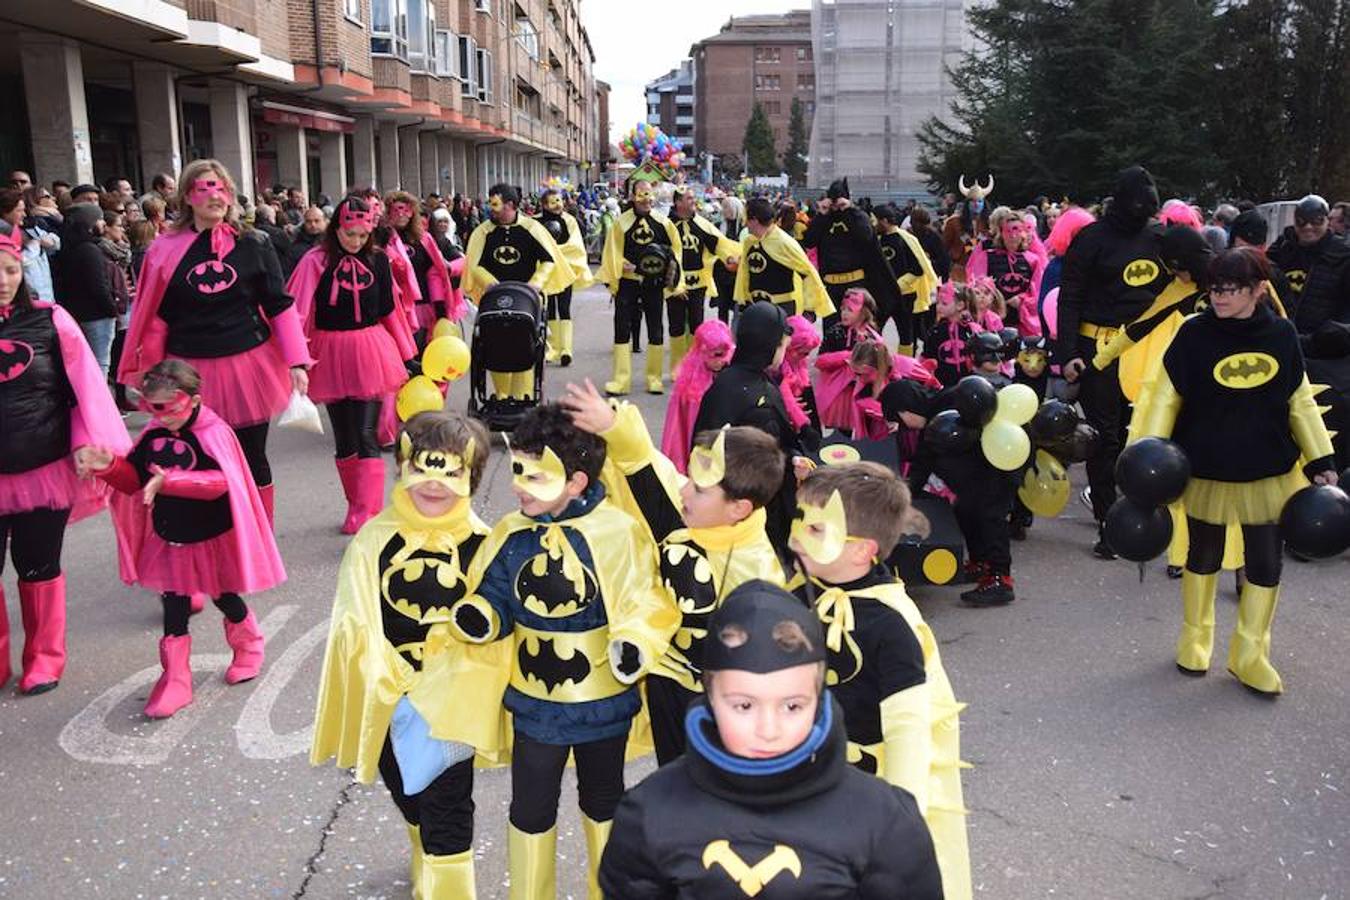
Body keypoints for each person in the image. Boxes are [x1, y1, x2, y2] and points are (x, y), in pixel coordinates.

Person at [445, 403, 676, 900]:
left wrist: (634, 643)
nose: (519, 484)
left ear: (574, 482)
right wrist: (483, 615)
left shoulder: (617, 532)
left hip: (603, 704)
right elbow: (497, 591)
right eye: (519, 470)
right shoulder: (512, 533)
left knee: (604, 801)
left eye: (534, 473)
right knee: (530, 808)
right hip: (536, 704)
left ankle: (609, 891)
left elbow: (644, 596)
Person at [598, 579, 945, 900]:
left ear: (820, 696)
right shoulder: (648, 814)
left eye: (793, 705)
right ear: (710, 695)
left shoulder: (884, 820)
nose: (769, 729)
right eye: (744, 705)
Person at [312, 410, 510, 899]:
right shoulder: (374, 541)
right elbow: (355, 617)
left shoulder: (485, 546)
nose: (435, 483)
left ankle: (446, 879)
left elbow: (499, 628)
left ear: (472, 477)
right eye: (423, 467)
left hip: (451, 704)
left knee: (448, 809)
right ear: (402, 466)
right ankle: (424, 849)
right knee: (408, 791)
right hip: (389, 693)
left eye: (451, 472)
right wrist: (385, 672)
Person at [1131, 248, 1338, 695]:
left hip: (1268, 468)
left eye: (1230, 289)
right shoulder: (1193, 334)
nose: (1219, 297)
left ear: (1258, 290)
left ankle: (1250, 653)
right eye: (1215, 288)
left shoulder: (1281, 335)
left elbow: (1298, 400)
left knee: (1264, 561)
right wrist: (1145, 464)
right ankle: (1195, 637)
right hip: (1207, 465)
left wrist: (1321, 460)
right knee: (1203, 553)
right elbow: (1165, 398)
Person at [563, 383, 789, 764]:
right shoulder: (692, 522)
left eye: (699, 490)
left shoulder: (757, 578)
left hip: (717, 705)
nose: (684, 491)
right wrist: (612, 426)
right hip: (667, 686)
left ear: (738, 509)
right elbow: (646, 471)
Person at [791, 464, 972, 900]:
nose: (796, 534)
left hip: (866, 795)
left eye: (815, 527)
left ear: (861, 551)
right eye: (799, 519)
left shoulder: (891, 625)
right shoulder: (802, 592)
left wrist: (899, 823)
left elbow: (909, 729)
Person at [118, 159, 312, 528]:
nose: (214, 196)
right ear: (187, 197)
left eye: (220, 187)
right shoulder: (165, 249)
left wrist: (297, 361)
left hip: (247, 367)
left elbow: (278, 304)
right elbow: (156, 317)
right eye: (204, 188)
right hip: (187, 372)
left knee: (251, 455)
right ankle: (211, 537)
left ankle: (257, 536)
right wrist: (152, 376)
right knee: (200, 456)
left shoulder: (255, 243)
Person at [81, 360, 282, 717]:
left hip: (212, 535)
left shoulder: (213, 433)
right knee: (173, 606)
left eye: (167, 407)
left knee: (224, 596)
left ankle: (249, 645)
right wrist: (108, 466)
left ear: (193, 399)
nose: (161, 416)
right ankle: (175, 678)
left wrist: (171, 481)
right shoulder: (155, 434)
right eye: (151, 407)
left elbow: (225, 484)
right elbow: (135, 481)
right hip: (170, 536)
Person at [0, 221, 130, 694]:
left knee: (37, 564)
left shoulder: (51, 319)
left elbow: (86, 390)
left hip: (42, 464)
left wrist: (90, 444)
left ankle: (43, 658)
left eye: (11, 269)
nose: (3, 279)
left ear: (23, 271)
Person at [1056, 165, 1169, 558]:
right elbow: (1069, 296)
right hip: (1098, 349)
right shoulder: (1091, 239)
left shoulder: (1161, 238)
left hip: (1149, 349)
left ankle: (1147, 519)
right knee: (1105, 439)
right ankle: (1110, 521)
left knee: (1146, 434)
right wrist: (1067, 353)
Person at [286, 196, 415, 533]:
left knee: (366, 432)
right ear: (336, 229)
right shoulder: (315, 261)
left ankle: (368, 511)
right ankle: (355, 505)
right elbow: (297, 309)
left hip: (370, 349)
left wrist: (405, 350)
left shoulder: (379, 260)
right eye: (349, 234)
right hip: (329, 351)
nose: (356, 241)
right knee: (344, 437)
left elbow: (389, 308)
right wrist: (295, 358)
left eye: (362, 235)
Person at [694, 301, 802, 551]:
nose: (784, 353)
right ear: (768, 347)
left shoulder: (728, 381)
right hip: (756, 513)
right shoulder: (757, 393)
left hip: (727, 505)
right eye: (783, 347)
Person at [462, 183, 572, 400]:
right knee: (495, 345)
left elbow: (548, 260)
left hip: (526, 301)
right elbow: (474, 264)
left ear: (510, 205)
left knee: (526, 345)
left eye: (495, 204)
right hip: (495, 299)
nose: (491, 209)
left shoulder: (532, 229)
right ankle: (502, 396)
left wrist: (536, 283)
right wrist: (490, 283)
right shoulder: (483, 232)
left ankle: (523, 396)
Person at [1267, 194, 1350, 468]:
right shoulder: (1279, 253)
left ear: (1327, 221)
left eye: (1316, 221)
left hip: (1327, 357)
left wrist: (1327, 337)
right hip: (1282, 348)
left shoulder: (1343, 256)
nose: (1308, 227)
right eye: (1302, 221)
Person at [597, 180, 685, 395]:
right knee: (622, 328)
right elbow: (611, 252)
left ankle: (653, 378)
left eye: (649, 195)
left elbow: (676, 251)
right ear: (632, 197)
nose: (646, 200)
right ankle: (621, 379)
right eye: (641, 195)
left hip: (653, 284)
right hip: (628, 282)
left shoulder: (664, 223)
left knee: (656, 328)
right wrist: (621, 266)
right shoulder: (620, 223)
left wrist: (671, 274)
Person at [802, 179, 902, 329]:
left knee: (857, 329)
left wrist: (851, 210)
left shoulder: (857, 216)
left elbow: (866, 237)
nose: (836, 207)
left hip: (856, 285)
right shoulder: (824, 219)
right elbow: (809, 241)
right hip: (831, 285)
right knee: (832, 330)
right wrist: (821, 215)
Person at [669, 187, 740, 374]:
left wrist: (730, 257)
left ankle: (694, 366)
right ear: (678, 202)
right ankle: (677, 368)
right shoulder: (667, 226)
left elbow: (719, 244)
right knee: (676, 326)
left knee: (696, 326)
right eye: (689, 198)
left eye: (693, 198)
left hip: (697, 284)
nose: (693, 201)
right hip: (675, 284)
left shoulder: (702, 224)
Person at [734, 197, 831, 323]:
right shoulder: (749, 241)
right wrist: (743, 301)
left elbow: (808, 273)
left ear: (755, 220)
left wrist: (808, 309)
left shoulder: (784, 242)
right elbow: (744, 273)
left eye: (747, 218)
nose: (745, 223)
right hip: (755, 308)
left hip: (781, 310)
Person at [657, 319, 736, 473]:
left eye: (724, 354)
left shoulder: (732, 369)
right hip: (700, 444)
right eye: (716, 355)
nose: (721, 361)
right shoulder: (688, 382)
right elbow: (677, 428)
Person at [53, 202, 118, 375]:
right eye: (99, 219)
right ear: (89, 224)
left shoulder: (69, 248)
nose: (103, 223)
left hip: (80, 314)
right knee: (100, 363)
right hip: (97, 316)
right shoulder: (89, 250)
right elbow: (98, 286)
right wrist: (112, 309)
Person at [535, 189, 595, 366]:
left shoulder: (570, 221)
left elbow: (575, 245)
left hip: (564, 272)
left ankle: (566, 349)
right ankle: (552, 349)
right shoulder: (536, 222)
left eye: (560, 200)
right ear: (544, 205)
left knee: (564, 308)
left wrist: (554, 253)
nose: (558, 205)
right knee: (549, 310)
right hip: (545, 273)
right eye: (553, 202)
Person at [967, 205, 1046, 337]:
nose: (1013, 236)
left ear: (1024, 233)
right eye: (1008, 231)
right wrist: (993, 300)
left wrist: (1022, 300)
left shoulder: (1033, 260)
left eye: (1017, 230)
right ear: (1001, 233)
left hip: (1022, 321)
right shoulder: (986, 256)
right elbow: (975, 283)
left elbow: (1038, 290)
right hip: (992, 319)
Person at [874, 203, 939, 354]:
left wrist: (897, 285)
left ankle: (905, 368)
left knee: (906, 335)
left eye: (875, 220)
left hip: (905, 296)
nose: (873, 224)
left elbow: (917, 268)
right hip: (882, 297)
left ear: (884, 221)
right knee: (874, 332)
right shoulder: (875, 240)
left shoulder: (906, 239)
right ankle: (875, 363)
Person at [0, 188, 58, 301]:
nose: (24, 214)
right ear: (5, 212)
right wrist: (33, 247)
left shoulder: (24, 230)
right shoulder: (6, 235)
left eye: (24, 210)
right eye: (19, 210)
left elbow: (55, 243)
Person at [942, 175, 994, 281]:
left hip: (984, 270)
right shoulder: (953, 222)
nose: (976, 204)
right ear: (967, 204)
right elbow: (944, 246)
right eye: (972, 201)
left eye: (979, 201)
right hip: (959, 269)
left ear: (984, 204)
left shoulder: (991, 224)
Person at [283, 205, 328, 276]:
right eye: (308, 221)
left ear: (325, 221)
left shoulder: (333, 243)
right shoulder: (296, 248)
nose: (313, 225)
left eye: (317, 221)